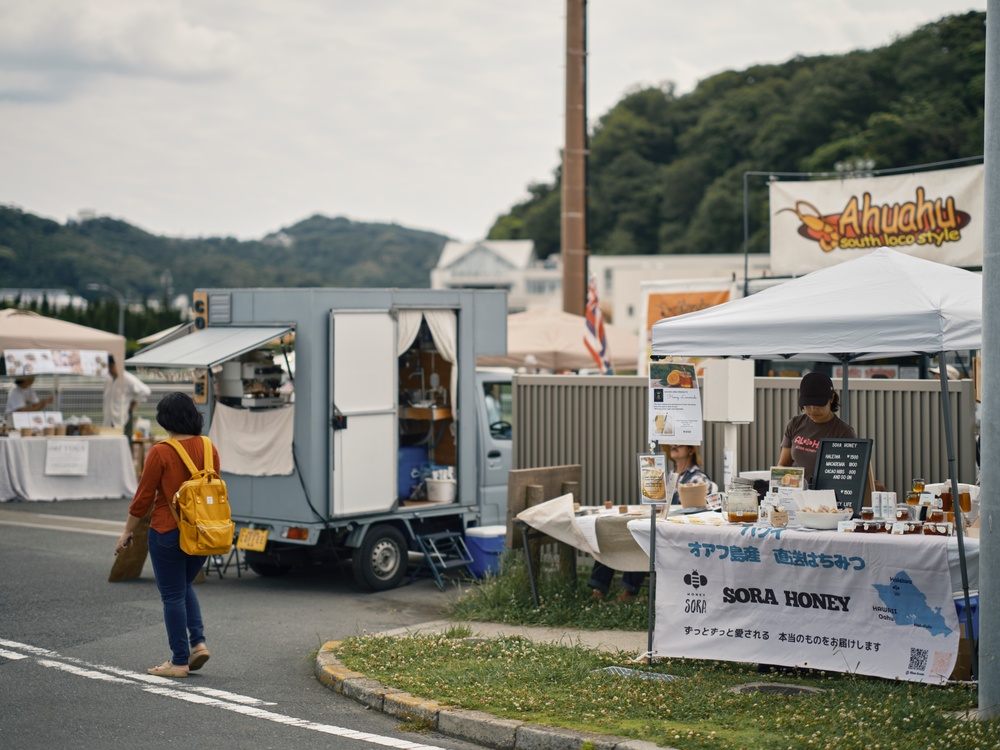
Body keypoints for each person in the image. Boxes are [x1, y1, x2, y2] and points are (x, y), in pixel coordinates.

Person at [115, 392, 219, 678]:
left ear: (165, 419)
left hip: (168, 531)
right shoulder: (209, 447)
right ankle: (198, 643)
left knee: (172, 595)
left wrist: (127, 531)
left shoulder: (161, 451)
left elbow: (143, 499)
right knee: (184, 585)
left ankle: (179, 661)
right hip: (204, 532)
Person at [588, 444, 713, 603]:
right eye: (672, 445)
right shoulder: (667, 475)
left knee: (644, 540)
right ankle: (598, 589)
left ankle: (628, 592)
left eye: (679, 444)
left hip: (677, 531)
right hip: (660, 523)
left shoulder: (699, 478)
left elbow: (699, 510)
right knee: (614, 536)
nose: (674, 446)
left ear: (691, 450)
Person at [777, 372, 856, 487]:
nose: (813, 409)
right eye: (808, 405)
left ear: (831, 398)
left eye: (819, 404)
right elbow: (783, 465)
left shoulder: (844, 432)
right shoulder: (794, 424)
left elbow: (850, 473)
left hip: (829, 496)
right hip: (795, 493)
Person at [103, 355, 152, 442]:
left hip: (123, 416)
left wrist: (134, 402)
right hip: (109, 418)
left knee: (124, 444)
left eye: (111, 366)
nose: (109, 369)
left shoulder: (127, 378)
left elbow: (145, 391)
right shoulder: (108, 379)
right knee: (109, 444)